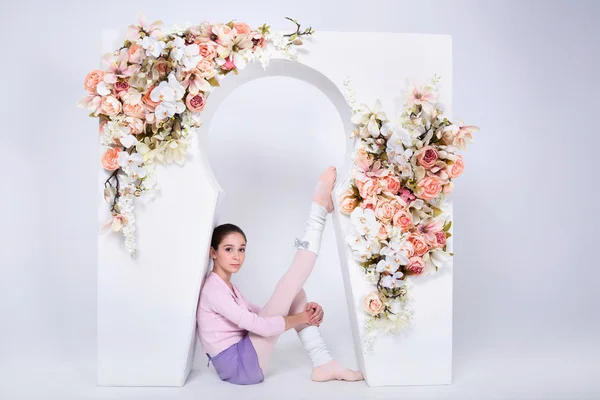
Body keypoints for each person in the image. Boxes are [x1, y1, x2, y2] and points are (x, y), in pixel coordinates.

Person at [196, 166, 364, 385]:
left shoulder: (228, 287)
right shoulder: (213, 290)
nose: (236, 256)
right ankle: (318, 210)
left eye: (241, 249)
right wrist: (302, 318)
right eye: (228, 249)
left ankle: (323, 362)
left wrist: (302, 312)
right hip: (239, 366)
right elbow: (260, 326)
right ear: (213, 253)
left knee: (294, 291)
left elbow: (257, 313)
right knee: (289, 284)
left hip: (243, 357)